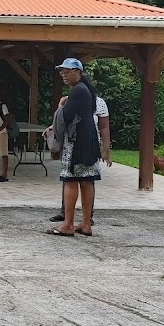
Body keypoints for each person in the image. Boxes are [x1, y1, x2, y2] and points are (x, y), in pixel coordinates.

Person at [47, 58, 101, 237]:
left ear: (78, 72)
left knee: (69, 180)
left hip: (76, 142)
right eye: (62, 71)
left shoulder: (77, 91)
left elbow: (65, 119)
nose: (63, 74)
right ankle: (86, 223)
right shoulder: (87, 91)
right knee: (87, 180)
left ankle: (68, 224)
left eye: (67, 71)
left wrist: (60, 106)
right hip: (89, 140)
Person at [47, 87, 112, 223]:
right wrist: (53, 125)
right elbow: (62, 120)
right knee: (69, 180)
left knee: (87, 180)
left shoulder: (98, 103)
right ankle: (65, 212)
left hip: (89, 145)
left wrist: (106, 149)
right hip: (70, 145)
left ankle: (87, 217)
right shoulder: (69, 100)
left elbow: (104, 127)